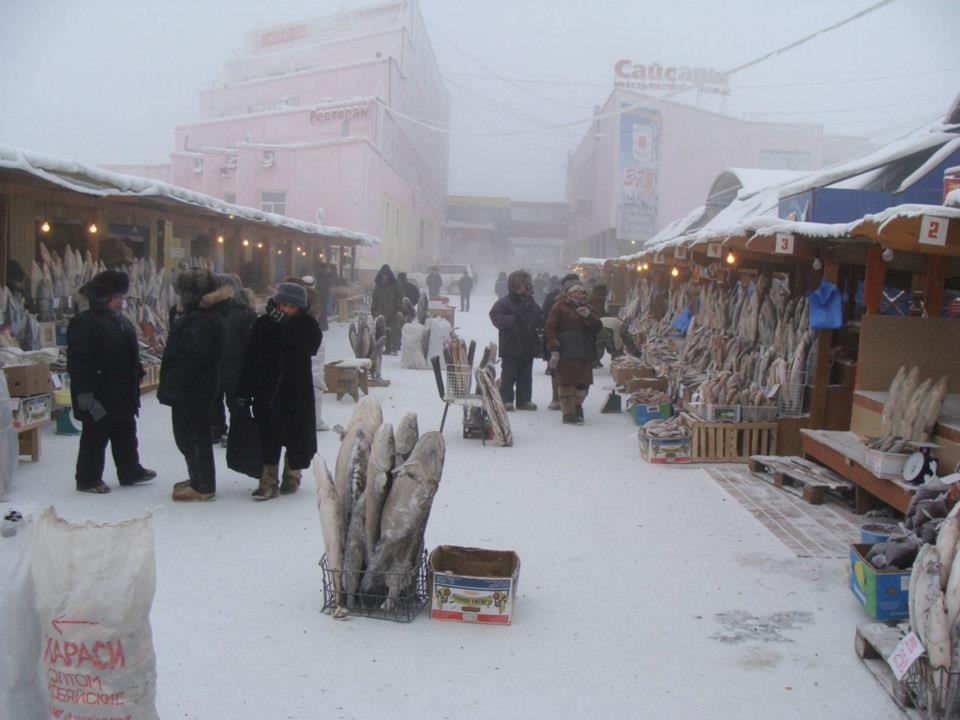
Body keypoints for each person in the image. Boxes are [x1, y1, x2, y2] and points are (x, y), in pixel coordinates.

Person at [67, 270, 156, 494]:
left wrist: (137, 370)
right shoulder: (84, 322)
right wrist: (85, 394)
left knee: (125, 432)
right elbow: (80, 361)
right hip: (98, 391)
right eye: (118, 298)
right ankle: (88, 478)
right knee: (95, 435)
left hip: (123, 391)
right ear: (104, 297)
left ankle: (130, 471)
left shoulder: (121, 321)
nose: (122, 302)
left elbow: (128, 352)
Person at [238, 282, 322, 500]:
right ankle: (267, 481)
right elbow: (250, 359)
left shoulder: (307, 324)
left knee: (296, 436)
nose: (284, 309)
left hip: (296, 393)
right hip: (267, 390)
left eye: (291, 306)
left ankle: (292, 474)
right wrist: (243, 392)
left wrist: (288, 326)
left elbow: (311, 345)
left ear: (300, 307)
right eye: (281, 304)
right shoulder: (263, 324)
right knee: (268, 435)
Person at [157, 268, 230, 501]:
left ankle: (203, 485)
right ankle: (198, 478)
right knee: (191, 436)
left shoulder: (201, 320)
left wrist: (172, 385)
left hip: (193, 389)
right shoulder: (204, 316)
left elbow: (189, 358)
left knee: (192, 436)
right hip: (199, 386)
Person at [209, 274, 258, 446]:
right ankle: (228, 431)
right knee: (229, 403)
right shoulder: (244, 312)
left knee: (226, 402)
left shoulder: (239, 312)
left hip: (228, 367)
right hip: (226, 368)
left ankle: (225, 431)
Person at [544, 282, 601, 425]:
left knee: (583, 383)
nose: (578, 295)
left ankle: (577, 407)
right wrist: (554, 348)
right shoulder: (559, 306)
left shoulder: (589, 308)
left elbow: (597, 327)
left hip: (585, 351)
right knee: (566, 383)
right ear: (568, 294)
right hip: (566, 350)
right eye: (575, 292)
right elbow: (550, 327)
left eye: (581, 292)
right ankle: (568, 413)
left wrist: (588, 317)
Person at [489, 270, 542, 411]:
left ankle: (524, 400)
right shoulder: (505, 302)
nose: (525, 288)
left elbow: (539, 316)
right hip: (510, 344)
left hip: (527, 344)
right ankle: (506, 399)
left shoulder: (531, 302)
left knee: (525, 375)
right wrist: (512, 320)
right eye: (522, 285)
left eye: (527, 285)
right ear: (515, 286)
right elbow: (495, 317)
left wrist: (539, 321)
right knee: (509, 374)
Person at [542, 273, 581, 410]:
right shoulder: (553, 296)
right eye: (570, 283)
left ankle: (573, 401)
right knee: (556, 371)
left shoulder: (583, 297)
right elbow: (546, 317)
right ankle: (557, 399)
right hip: (558, 338)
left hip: (578, 340)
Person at [370, 264, 403, 353]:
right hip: (382, 310)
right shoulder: (378, 285)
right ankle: (387, 348)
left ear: (389, 274)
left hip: (393, 309)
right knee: (384, 329)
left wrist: (398, 306)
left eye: (386, 275)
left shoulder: (395, 283)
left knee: (394, 329)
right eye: (383, 275)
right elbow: (375, 297)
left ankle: (394, 347)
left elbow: (400, 295)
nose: (384, 276)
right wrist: (373, 308)